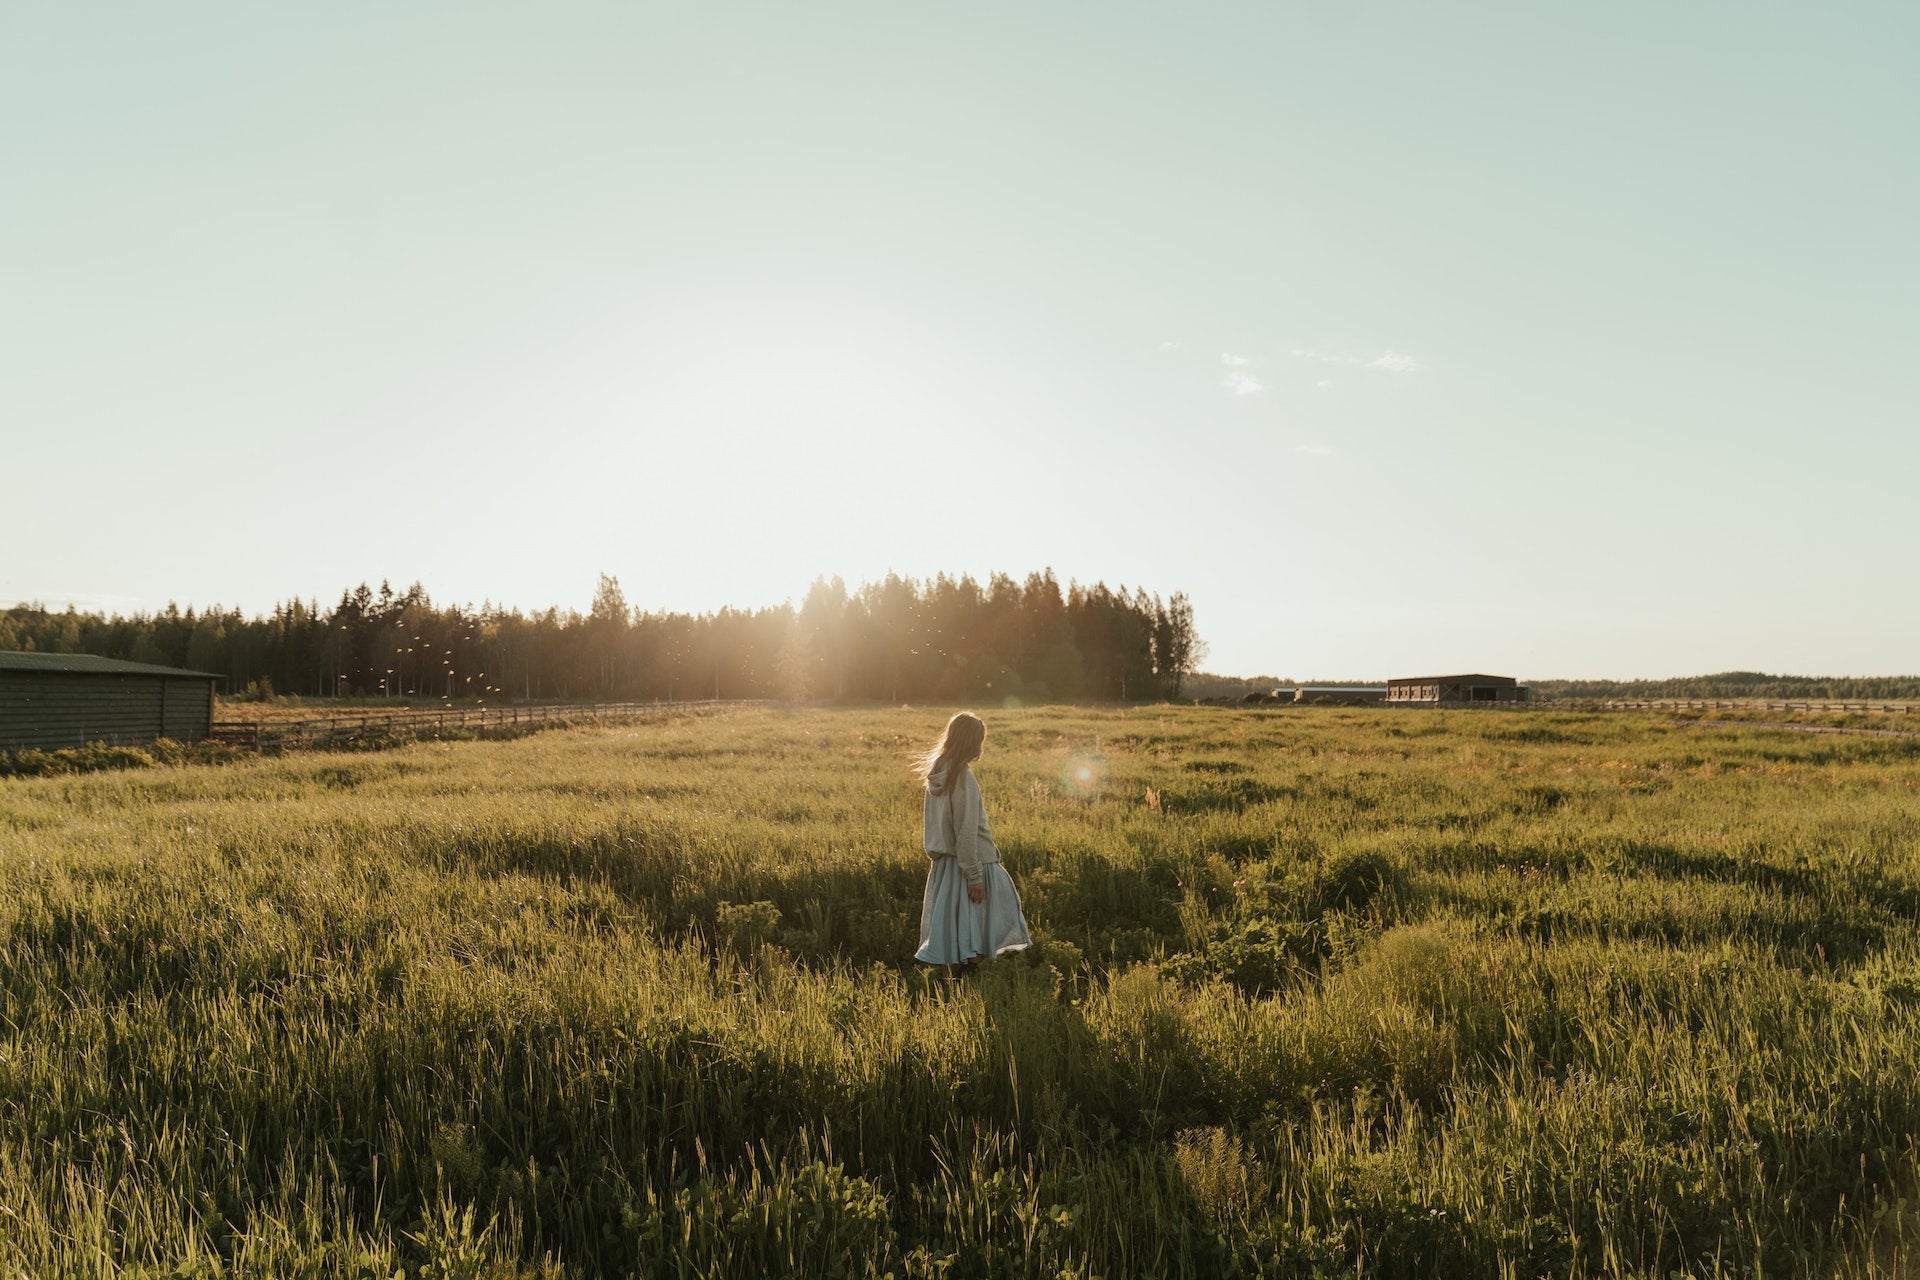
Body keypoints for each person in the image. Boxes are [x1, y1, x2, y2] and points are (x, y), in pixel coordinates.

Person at [914, 711, 1032, 978]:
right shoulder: (961, 777)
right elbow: (966, 832)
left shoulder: (937, 773)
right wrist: (974, 875)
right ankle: (973, 993)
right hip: (971, 864)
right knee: (979, 931)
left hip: (946, 866)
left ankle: (952, 995)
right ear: (972, 742)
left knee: (952, 935)